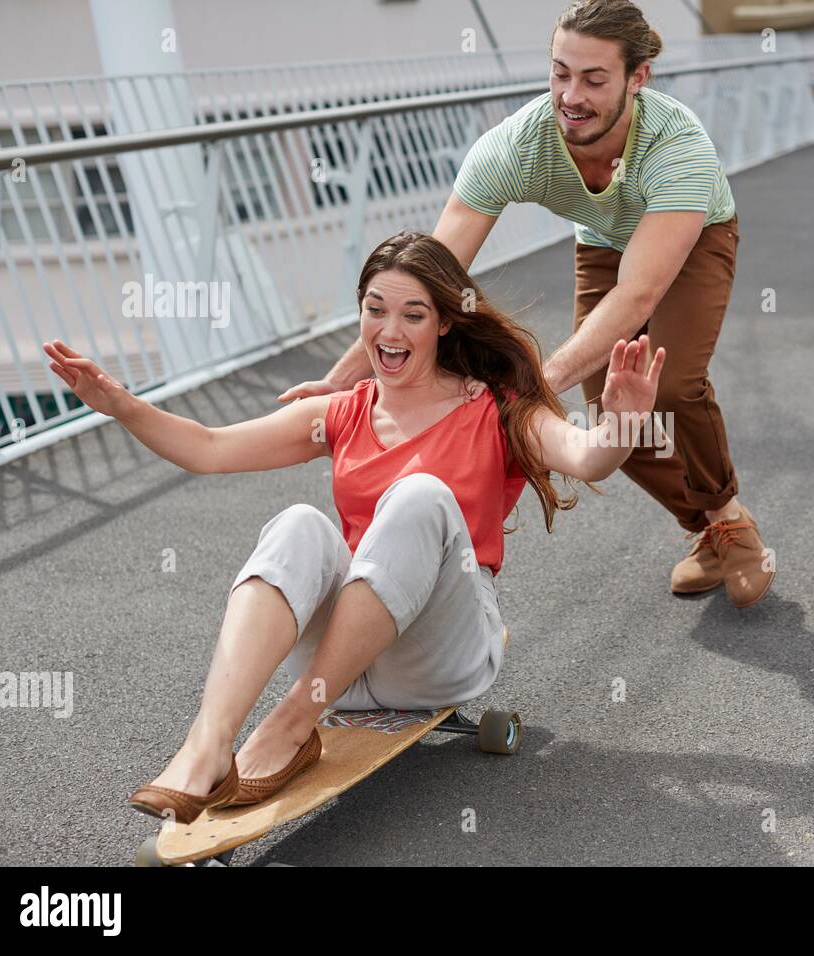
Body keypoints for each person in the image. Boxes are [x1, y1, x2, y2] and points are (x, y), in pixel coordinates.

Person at [42, 231, 664, 824]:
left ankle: (285, 729)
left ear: (446, 321)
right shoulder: (342, 413)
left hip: (440, 654)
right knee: (299, 525)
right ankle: (206, 746)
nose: (390, 332)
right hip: (344, 667)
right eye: (375, 310)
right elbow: (208, 448)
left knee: (420, 496)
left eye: (413, 315)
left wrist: (623, 423)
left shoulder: (493, 408)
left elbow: (586, 456)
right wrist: (119, 403)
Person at [279, 0, 774, 608]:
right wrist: (336, 381)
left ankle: (727, 517)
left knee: (669, 387)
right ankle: (706, 530)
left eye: (594, 79)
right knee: (613, 415)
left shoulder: (679, 148)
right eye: (561, 73)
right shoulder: (516, 145)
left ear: (637, 79)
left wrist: (537, 385)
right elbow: (426, 278)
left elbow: (638, 293)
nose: (572, 94)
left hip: (693, 239)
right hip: (603, 241)